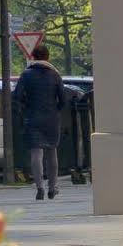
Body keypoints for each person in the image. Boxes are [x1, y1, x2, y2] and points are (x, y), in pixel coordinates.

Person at [15, 43, 75, 200]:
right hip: (51, 119)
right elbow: (63, 98)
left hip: (32, 117)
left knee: (36, 153)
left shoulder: (26, 75)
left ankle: (39, 187)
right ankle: (53, 187)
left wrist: (24, 108)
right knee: (51, 151)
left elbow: (17, 96)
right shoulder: (54, 75)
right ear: (47, 57)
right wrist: (56, 110)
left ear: (33, 57)